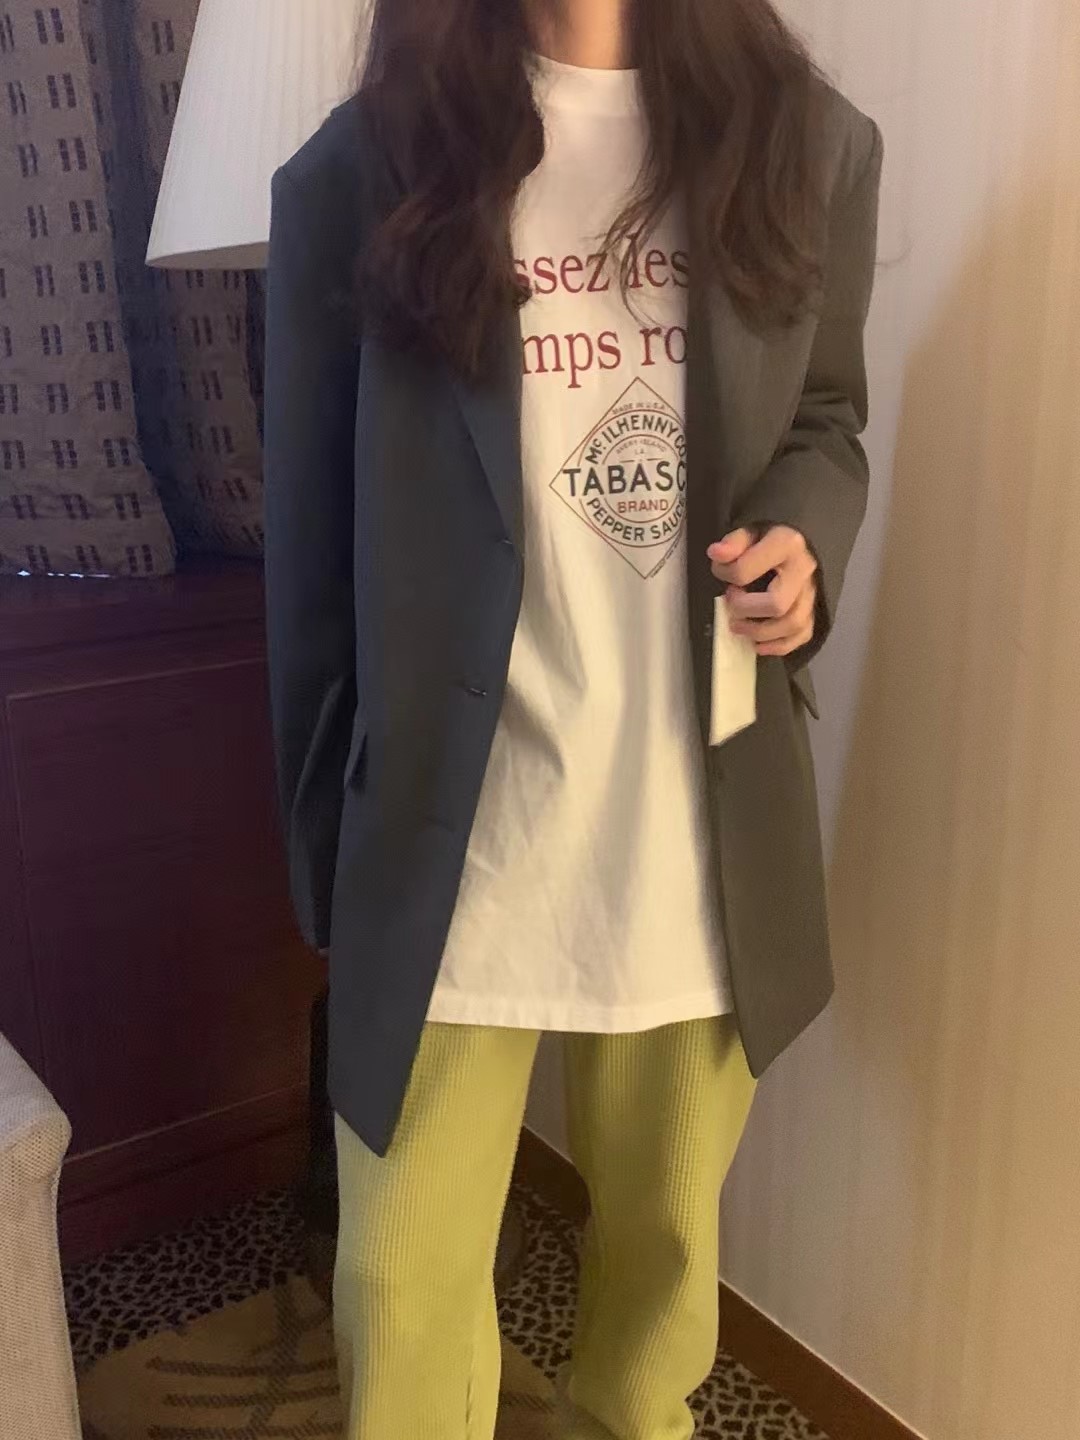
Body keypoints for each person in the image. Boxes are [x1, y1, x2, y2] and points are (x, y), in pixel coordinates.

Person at [263, 0, 883, 1434]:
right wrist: (323, 843)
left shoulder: (803, 145)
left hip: (692, 832)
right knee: (401, 1297)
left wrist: (804, 538)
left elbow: (826, 416)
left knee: (660, 1295)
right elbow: (309, 535)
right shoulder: (368, 163)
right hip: (449, 839)